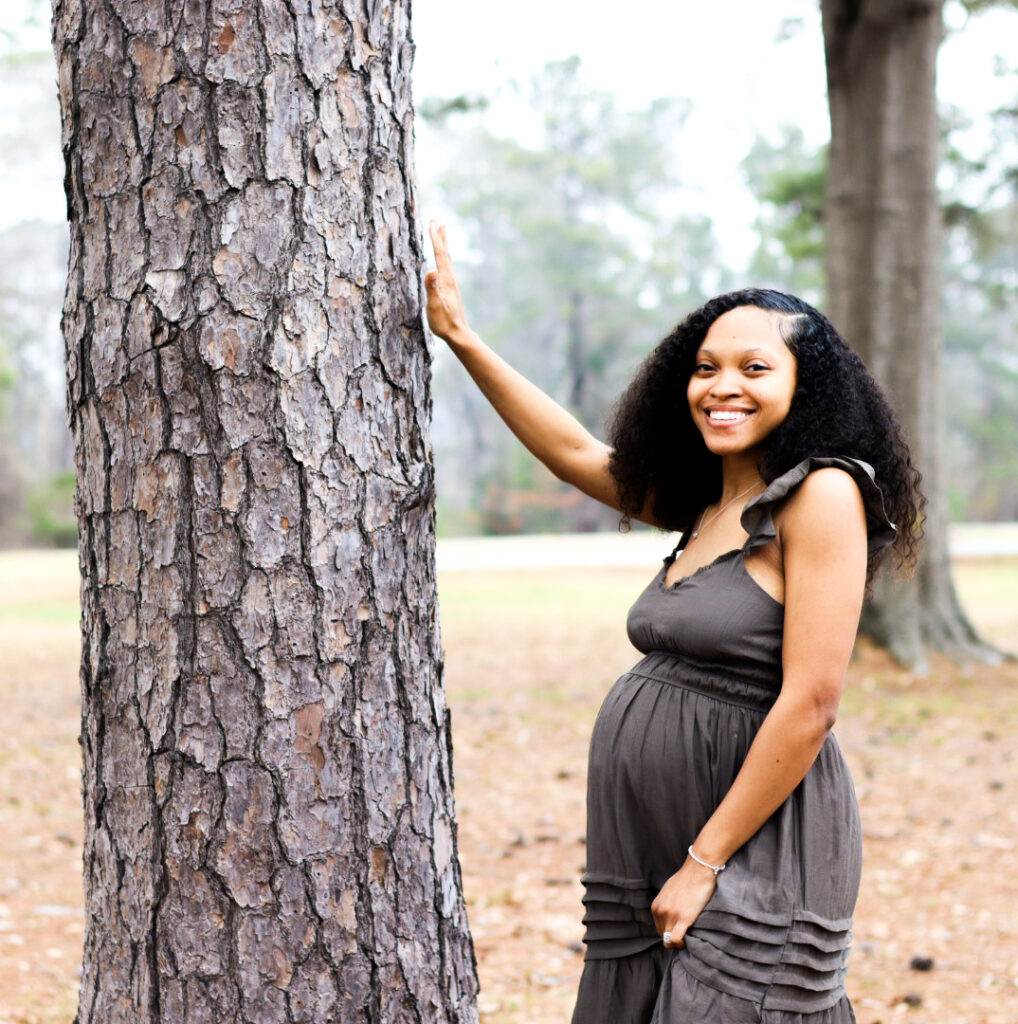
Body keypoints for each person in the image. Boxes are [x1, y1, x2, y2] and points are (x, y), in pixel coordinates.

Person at [424, 221, 923, 1024]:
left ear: (808, 387)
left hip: (751, 843)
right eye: (705, 369)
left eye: (755, 368)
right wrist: (461, 337)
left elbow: (812, 704)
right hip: (650, 837)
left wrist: (704, 862)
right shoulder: (709, 500)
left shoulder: (823, 494)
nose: (722, 386)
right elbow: (578, 453)